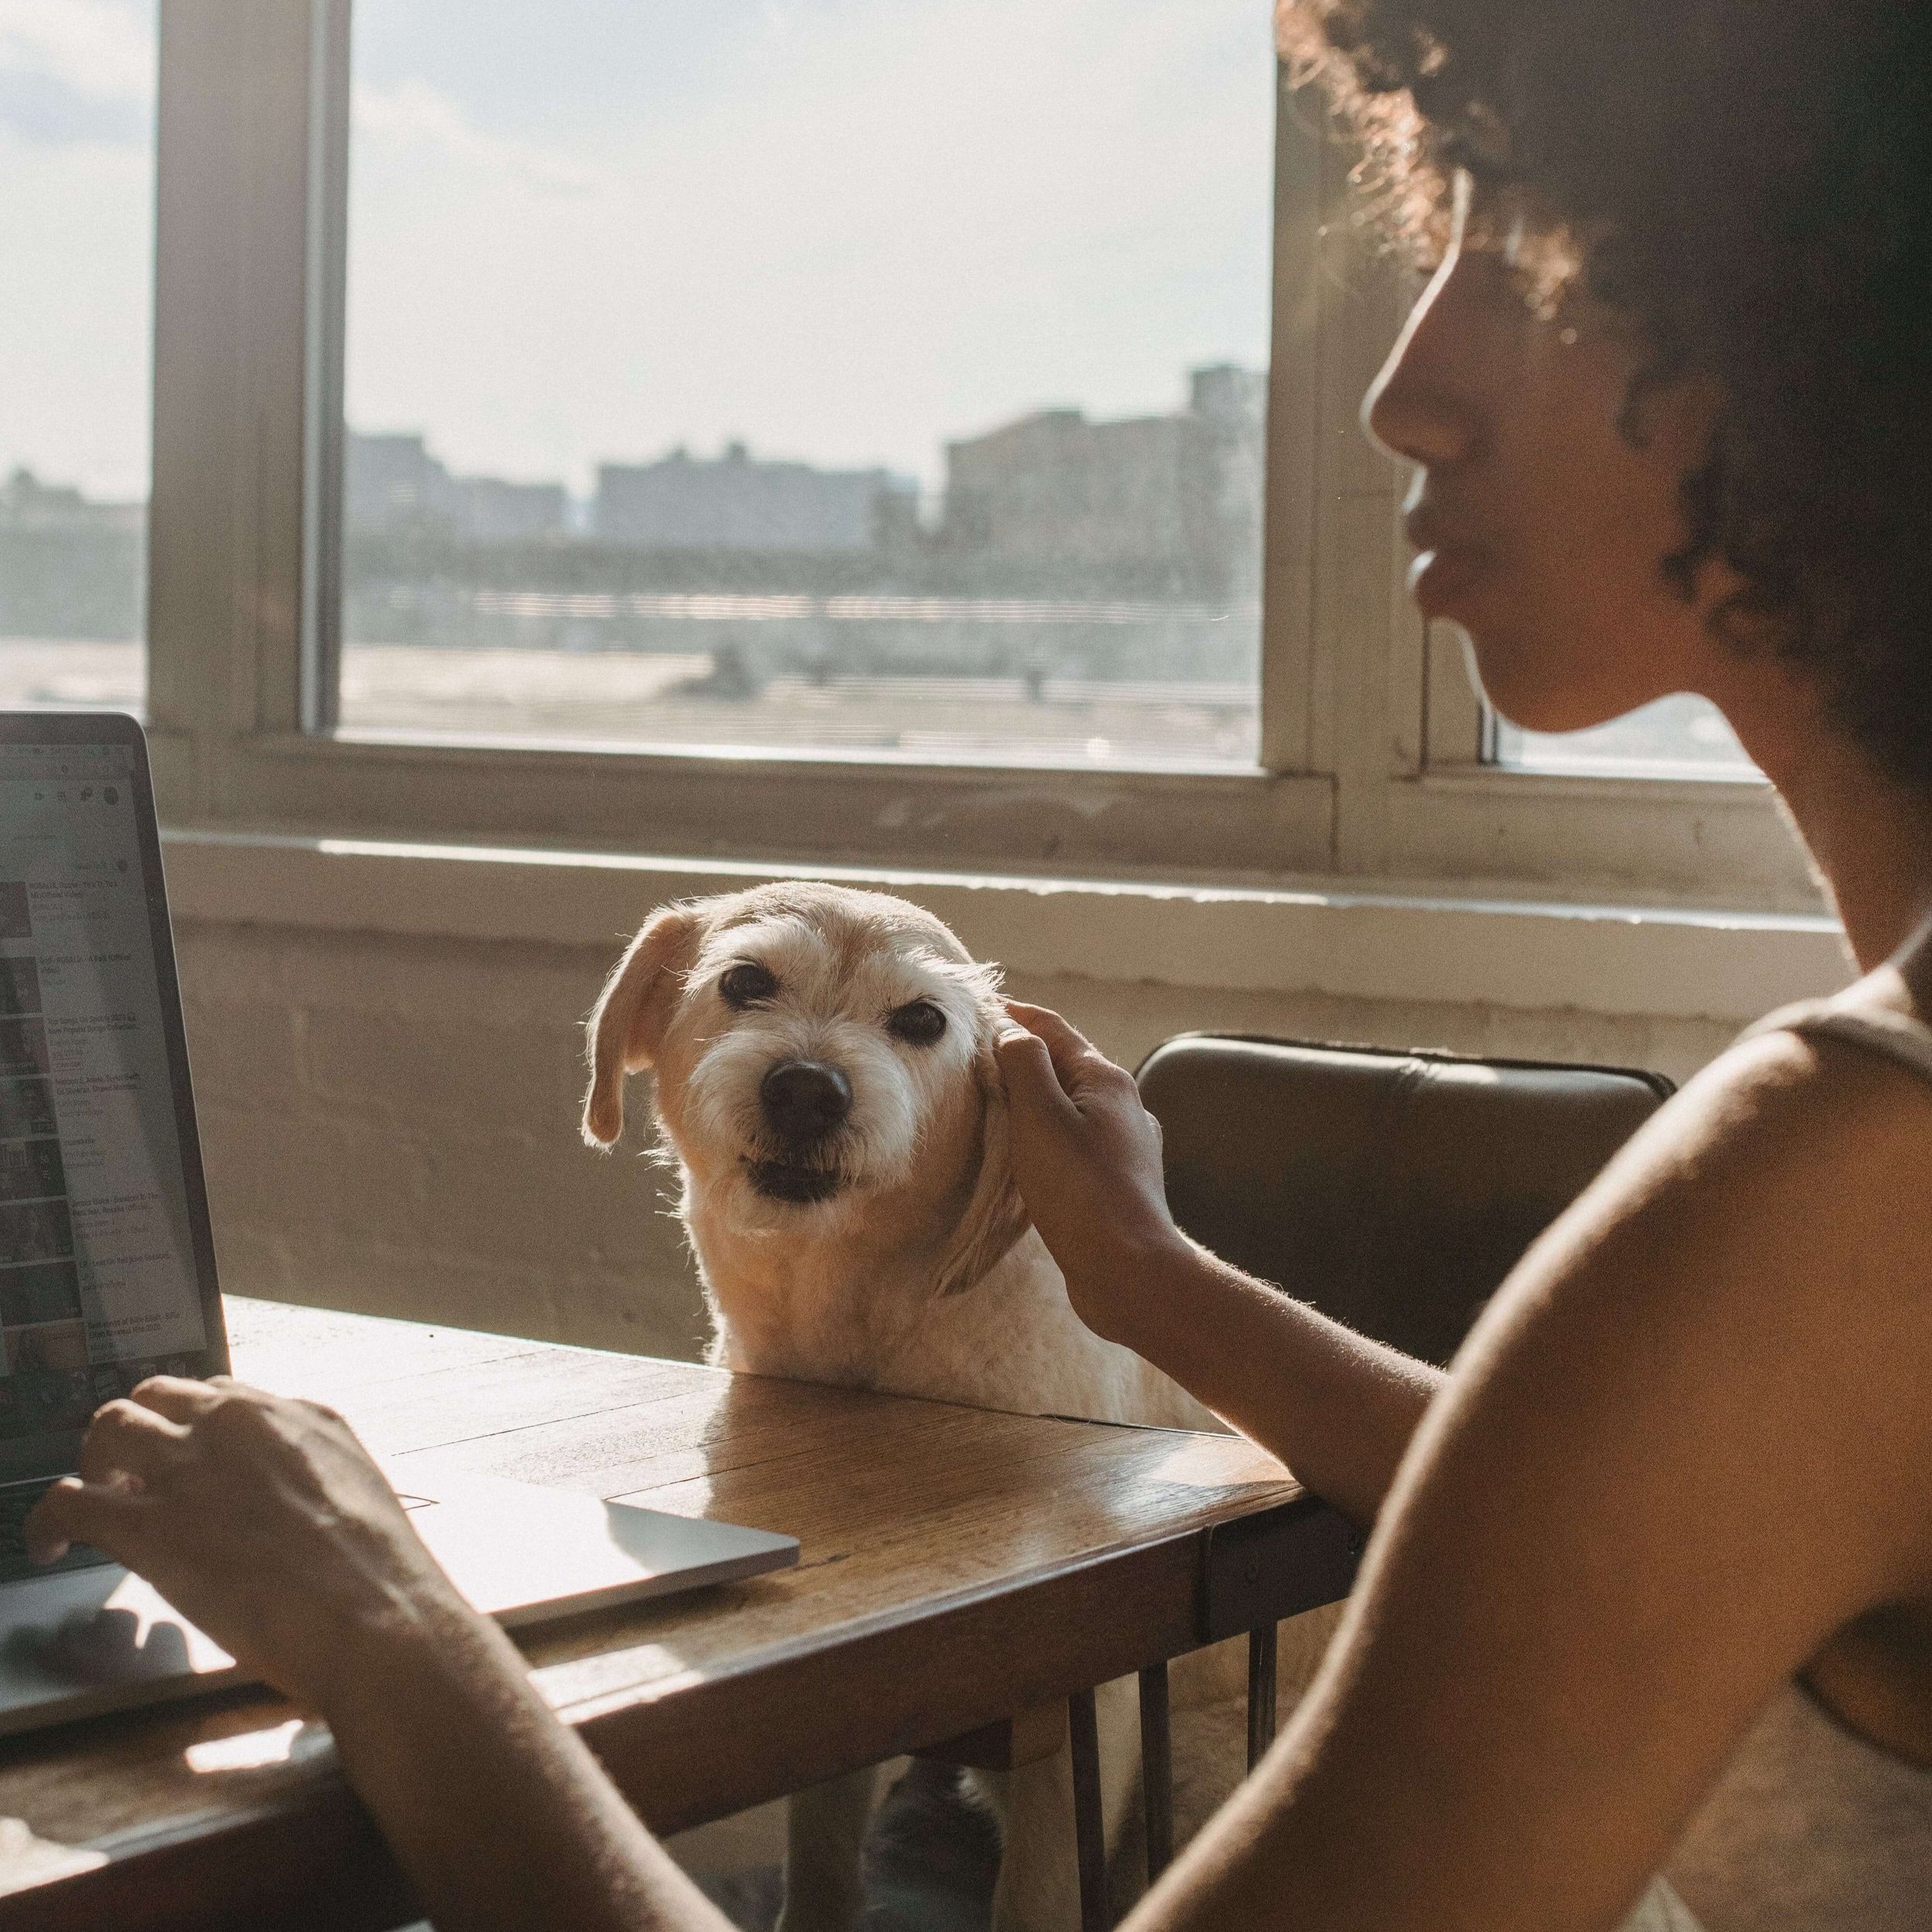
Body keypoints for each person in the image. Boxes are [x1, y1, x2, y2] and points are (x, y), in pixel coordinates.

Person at [27, 1, 1932, 1925]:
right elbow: (1601, 1501)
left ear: (1819, 320)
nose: (1401, 388)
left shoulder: (1837, 1192)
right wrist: (1157, 1286)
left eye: (1515, 248)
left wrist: (390, 1630)